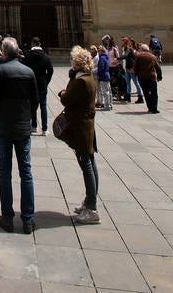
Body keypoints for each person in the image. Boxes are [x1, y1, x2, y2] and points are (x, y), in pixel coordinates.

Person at [0, 36, 38, 234]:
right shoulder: (28, 71)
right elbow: (35, 101)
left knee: (4, 171)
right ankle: (28, 219)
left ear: (4, 51)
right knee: (26, 172)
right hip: (23, 127)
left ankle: (7, 217)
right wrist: (26, 117)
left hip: (4, 127)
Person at [58, 46, 100, 224]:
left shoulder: (81, 81)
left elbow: (67, 99)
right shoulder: (89, 77)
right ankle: (90, 202)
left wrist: (63, 92)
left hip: (81, 126)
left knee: (87, 164)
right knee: (90, 161)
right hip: (86, 125)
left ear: (77, 63)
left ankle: (91, 209)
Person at [23, 37, 53, 134]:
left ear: (32, 44)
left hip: (31, 83)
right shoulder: (46, 56)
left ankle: (34, 126)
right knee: (43, 106)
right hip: (42, 83)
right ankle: (45, 129)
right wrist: (46, 80)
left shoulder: (28, 56)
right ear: (39, 44)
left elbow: (24, 69)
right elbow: (51, 71)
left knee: (32, 105)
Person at [132, 43, 160, 113]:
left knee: (146, 93)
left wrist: (136, 74)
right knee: (154, 93)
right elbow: (157, 67)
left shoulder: (138, 56)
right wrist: (159, 76)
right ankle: (154, 108)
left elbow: (135, 66)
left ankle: (150, 108)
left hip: (142, 77)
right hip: (152, 77)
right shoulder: (153, 56)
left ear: (142, 49)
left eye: (140, 49)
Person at [121, 38, 143, 103]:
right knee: (128, 82)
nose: (127, 45)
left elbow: (134, 60)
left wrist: (117, 58)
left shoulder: (133, 50)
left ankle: (140, 96)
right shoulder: (127, 49)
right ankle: (128, 96)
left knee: (136, 83)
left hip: (132, 69)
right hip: (127, 68)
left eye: (128, 43)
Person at [96, 46, 112, 110]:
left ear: (102, 51)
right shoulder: (105, 57)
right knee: (108, 91)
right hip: (107, 75)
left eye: (99, 50)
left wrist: (98, 74)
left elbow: (101, 68)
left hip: (103, 76)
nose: (98, 52)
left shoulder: (102, 58)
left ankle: (107, 106)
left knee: (105, 92)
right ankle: (110, 105)